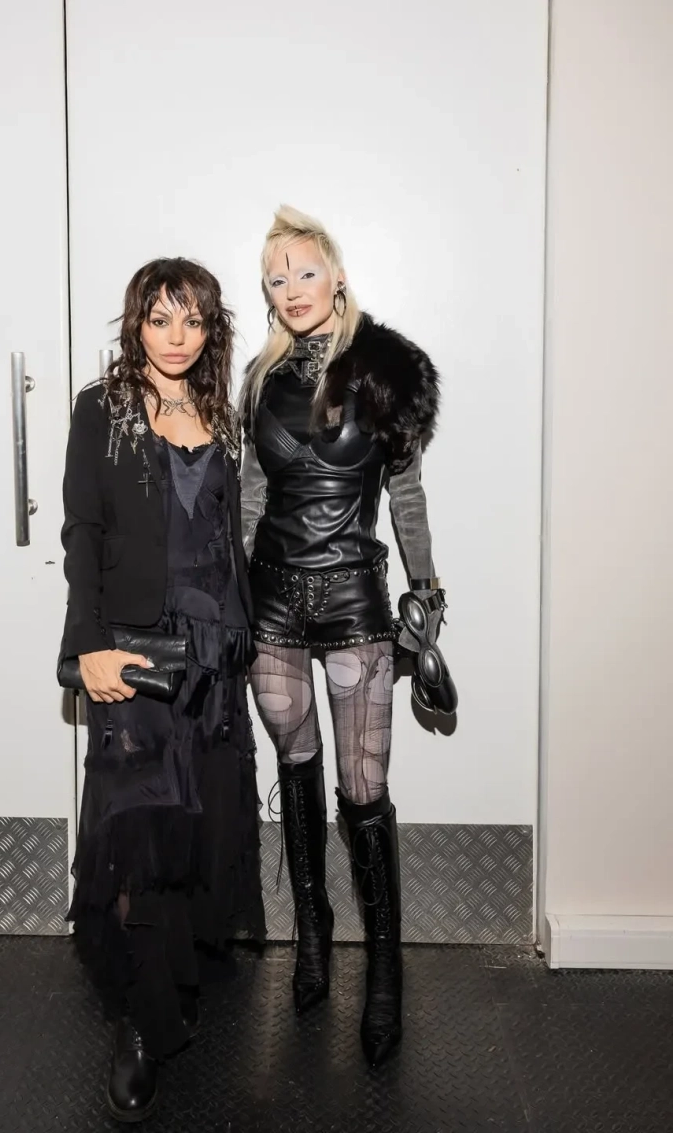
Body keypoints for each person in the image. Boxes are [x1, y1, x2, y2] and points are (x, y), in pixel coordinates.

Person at [240, 206, 447, 1069]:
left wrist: (425, 590)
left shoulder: (382, 370)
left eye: (303, 270)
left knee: (364, 787)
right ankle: (314, 931)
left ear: (336, 276)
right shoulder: (259, 378)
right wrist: (231, 590)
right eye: (275, 278)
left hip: (355, 598)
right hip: (274, 604)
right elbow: (251, 496)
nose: (291, 288)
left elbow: (406, 495)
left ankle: (386, 968)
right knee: (296, 765)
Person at [60, 257, 265, 1122]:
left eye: (193, 320)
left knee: (198, 825)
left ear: (209, 329)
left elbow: (232, 534)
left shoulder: (222, 411)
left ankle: (176, 982)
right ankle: (139, 1028)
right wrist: (87, 646)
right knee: (140, 829)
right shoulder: (101, 410)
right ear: (135, 323)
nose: (176, 337)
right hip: (135, 649)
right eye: (160, 318)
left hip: (215, 651)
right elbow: (82, 532)